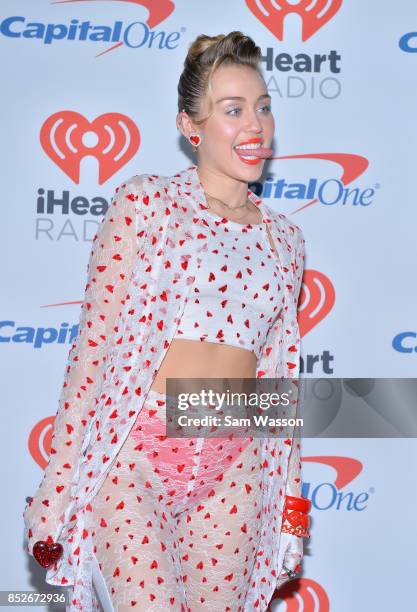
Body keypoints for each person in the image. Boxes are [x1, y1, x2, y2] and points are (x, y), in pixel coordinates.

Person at [23, 31, 310, 612]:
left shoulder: (287, 239)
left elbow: (280, 380)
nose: (254, 124)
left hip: (236, 466)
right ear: (191, 127)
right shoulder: (146, 204)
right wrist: (58, 481)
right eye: (232, 110)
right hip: (135, 455)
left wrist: (291, 507)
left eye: (262, 106)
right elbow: (94, 348)